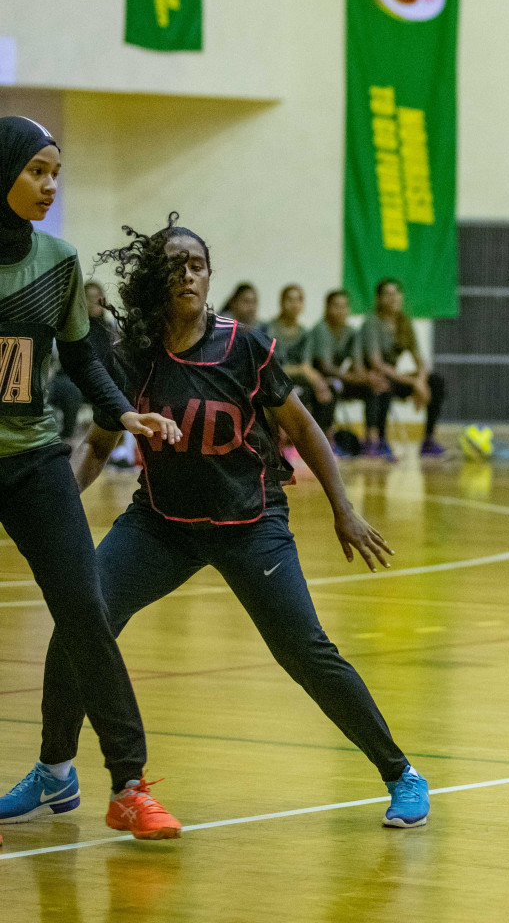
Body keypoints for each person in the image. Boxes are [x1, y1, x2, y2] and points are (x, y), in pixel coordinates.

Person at [2, 213, 432, 829]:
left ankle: (402, 773)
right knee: (81, 620)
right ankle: (54, 773)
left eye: (198, 265)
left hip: (250, 522)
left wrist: (345, 509)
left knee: (306, 651)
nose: (188, 276)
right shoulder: (132, 357)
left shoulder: (246, 346)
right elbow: (98, 446)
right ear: (155, 278)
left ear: (210, 278)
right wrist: (55, 510)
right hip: (160, 524)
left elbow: (303, 427)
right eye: (175, 265)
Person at [0, 116, 184, 842]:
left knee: (87, 611)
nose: (50, 185)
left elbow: (82, 359)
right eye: (37, 171)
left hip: (34, 461)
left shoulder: (60, 260)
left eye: (56, 172)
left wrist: (125, 414)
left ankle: (130, 786)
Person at [358, 278, 445, 460]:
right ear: (379, 298)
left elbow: (419, 359)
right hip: (377, 377)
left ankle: (428, 439)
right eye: (388, 294)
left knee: (435, 381)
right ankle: (379, 440)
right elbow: (377, 364)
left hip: (396, 377)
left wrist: (420, 381)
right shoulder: (372, 323)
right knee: (382, 383)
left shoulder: (404, 322)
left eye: (396, 293)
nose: (393, 298)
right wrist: (413, 381)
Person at [305, 289, 384, 443]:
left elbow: (357, 364)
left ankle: (373, 438)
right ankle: (325, 439)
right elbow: (325, 367)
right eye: (337, 306)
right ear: (327, 308)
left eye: (345, 306)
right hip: (318, 381)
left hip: (340, 379)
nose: (341, 311)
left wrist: (367, 378)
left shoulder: (352, 333)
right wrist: (354, 377)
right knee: (332, 387)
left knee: (372, 387)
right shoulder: (320, 329)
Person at [47, 280, 120, 440]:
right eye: (90, 297)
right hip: (72, 380)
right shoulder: (72, 327)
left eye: (98, 297)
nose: (95, 301)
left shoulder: (112, 329)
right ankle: (67, 437)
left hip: (103, 380)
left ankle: (120, 447)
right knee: (69, 390)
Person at [263, 284, 331, 430]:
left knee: (327, 389)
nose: (294, 305)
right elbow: (272, 366)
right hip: (273, 379)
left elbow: (306, 365)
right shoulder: (269, 329)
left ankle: (323, 438)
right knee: (298, 392)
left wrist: (319, 381)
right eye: (290, 300)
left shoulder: (305, 333)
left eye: (298, 300)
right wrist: (304, 371)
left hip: (298, 379)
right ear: (281, 302)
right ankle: (288, 440)